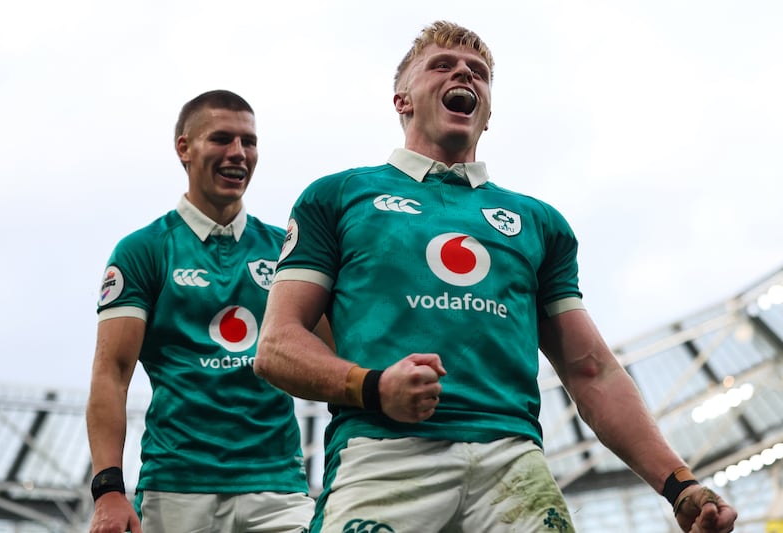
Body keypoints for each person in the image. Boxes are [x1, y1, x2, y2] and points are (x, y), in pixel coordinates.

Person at [255, 21, 738, 533]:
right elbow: (278, 345)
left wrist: (679, 484)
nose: (464, 72)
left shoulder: (538, 222)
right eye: (442, 65)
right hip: (383, 452)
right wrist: (372, 386)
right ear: (402, 100)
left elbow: (591, 370)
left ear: (487, 113)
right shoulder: (337, 197)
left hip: (513, 461)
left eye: (478, 73)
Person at [86, 89, 330, 533]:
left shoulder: (287, 251)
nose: (238, 153)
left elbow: (337, 357)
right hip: (176, 490)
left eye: (249, 142)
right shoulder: (143, 250)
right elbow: (111, 373)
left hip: (278, 489)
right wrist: (108, 490)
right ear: (184, 147)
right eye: (221, 138)